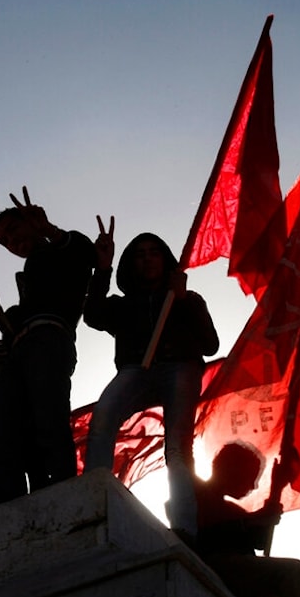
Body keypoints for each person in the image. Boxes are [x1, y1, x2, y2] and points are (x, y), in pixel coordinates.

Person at [82, 223, 219, 541]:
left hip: (180, 368)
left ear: (165, 259)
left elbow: (210, 344)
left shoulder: (187, 299)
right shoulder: (123, 305)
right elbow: (93, 315)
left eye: (154, 252)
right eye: (140, 255)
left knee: (178, 447)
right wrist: (102, 269)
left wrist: (182, 300)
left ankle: (186, 528)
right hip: (135, 369)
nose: (147, 259)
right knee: (103, 419)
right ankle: (93, 505)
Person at [0, 186, 96, 506]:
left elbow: (87, 254)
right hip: (20, 350)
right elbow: (12, 331)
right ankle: (3, 505)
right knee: (0, 429)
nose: (13, 243)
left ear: (31, 220)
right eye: (6, 241)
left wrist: (48, 230)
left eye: (14, 231)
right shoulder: (29, 274)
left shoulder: (62, 249)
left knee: (49, 421)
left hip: (49, 340)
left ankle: (65, 496)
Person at [195, 442, 300, 597]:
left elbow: (259, 539)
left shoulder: (231, 509)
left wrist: (277, 487)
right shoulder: (197, 492)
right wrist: (267, 505)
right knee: (293, 571)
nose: (253, 485)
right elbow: (221, 528)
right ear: (233, 470)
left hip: (236, 571)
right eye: (250, 476)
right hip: (214, 565)